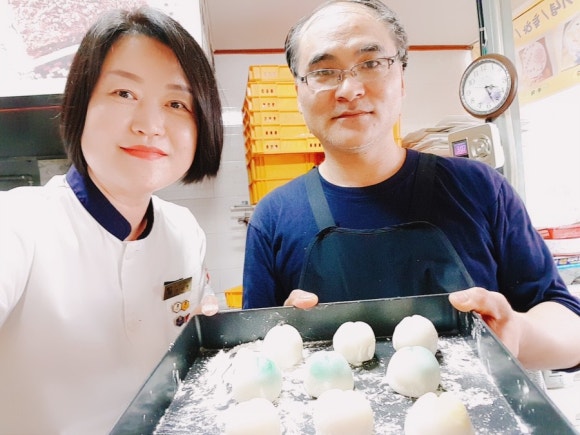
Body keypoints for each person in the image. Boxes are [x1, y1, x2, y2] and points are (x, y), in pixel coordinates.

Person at [242, 0, 580, 372]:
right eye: (324, 71)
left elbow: (568, 326)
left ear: (401, 79)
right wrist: (280, 346)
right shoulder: (273, 218)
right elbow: (253, 355)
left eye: (371, 63)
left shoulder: (480, 189)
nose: (350, 89)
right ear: (299, 93)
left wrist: (518, 332)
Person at [0, 6, 223, 434]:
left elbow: (195, 343)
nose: (151, 125)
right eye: (124, 93)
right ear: (80, 105)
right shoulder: (18, 223)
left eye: (176, 103)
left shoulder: (184, 231)